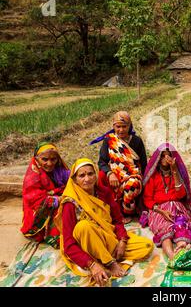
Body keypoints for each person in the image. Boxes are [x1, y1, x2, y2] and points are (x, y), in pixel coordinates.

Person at [54, 158, 154, 287]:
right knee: (83, 226)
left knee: (146, 246)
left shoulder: (104, 192)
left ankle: (105, 256)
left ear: (96, 174)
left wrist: (122, 241)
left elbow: (117, 220)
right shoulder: (70, 203)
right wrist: (91, 264)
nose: (87, 179)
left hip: (107, 238)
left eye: (90, 173)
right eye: (82, 175)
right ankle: (108, 263)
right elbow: (69, 245)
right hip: (86, 245)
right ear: (74, 179)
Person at [142, 143, 191, 260]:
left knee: (181, 225)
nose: (166, 159)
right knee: (165, 228)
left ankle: (181, 250)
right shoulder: (153, 177)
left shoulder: (176, 174)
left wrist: (174, 170)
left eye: (169, 156)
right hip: (159, 209)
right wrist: (162, 212)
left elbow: (180, 194)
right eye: (163, 156)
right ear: (158, 158)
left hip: (177, 207)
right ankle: (172, 256)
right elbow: (148, 199)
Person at [90, 111, 147, 223]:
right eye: (118, 126)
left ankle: (127, 211)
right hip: (114, 174)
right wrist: (110, 174)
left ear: (130, 126)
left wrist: (145, 180)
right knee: (101, 176)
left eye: (124, 126)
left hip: (132, 174)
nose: (121, 130)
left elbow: (144, 163)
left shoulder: (136, 141)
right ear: (113, 126)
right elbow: (102, 162)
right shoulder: (109, 140)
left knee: (132, 185)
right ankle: (111, 211)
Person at [21, 142, 70, 248]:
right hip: (38, 210)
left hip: (58, 198)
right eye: (45, 159)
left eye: (53, 159)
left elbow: (71, 183)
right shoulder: (32, 176)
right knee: (62, 208)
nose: (49, 163)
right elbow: (35, 200)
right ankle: (54, 237)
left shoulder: (60, 170)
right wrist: (59, 199)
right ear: (37, 158)